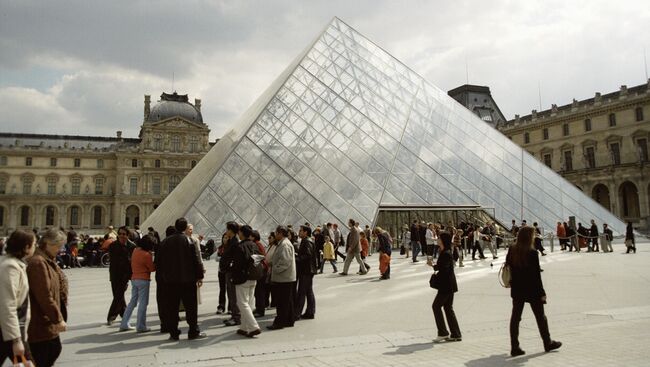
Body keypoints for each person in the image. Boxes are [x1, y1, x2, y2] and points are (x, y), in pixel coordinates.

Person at [506, 226, 561, 357]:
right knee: (541, 317)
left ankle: (514, 347)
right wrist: (542, 292)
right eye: (533, 234)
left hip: (517, 289)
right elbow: (536, 276)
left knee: (515, 318)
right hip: (532, 290)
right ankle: (547, 342)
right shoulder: (532, 253)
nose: (535, 236)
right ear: (529, 237)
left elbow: (508, 266)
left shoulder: (512, 249)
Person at [155, 218, 206, 340]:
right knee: (191, 307)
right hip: (188, 280)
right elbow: (196, 260)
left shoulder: (165, 242)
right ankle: (193, 331)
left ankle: (174, 333)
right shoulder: (189, 241)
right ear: (184, 228)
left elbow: (158, 262)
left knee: (172, 307)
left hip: (170, 281)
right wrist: (200, 276)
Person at [26, 229, 68, 367]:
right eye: (59, 245)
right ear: (49, 243)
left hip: (46, 323)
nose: (61, 249)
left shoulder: (46, 260)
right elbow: (44, 295)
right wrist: (58, 318)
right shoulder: (38, 263)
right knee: (45, 354)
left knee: (52, 351)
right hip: (40, 324)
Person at [0, 230, 36, 365]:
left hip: (9, 329)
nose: (35, 248)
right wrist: (16, 340)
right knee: (28, 363)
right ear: (26, 247)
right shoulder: (10, 267)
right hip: (8, 331)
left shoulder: (11, 263)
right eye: (34, 244)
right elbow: (7, 304)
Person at [119, 234, 156, 333]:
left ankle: (124, 323)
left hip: (134, 278)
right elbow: (152, 268)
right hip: (143, 279)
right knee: (143, 303)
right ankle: (140, 326)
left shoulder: (135, 251)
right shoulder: (147, 255)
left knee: (133, 301)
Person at [230, 225, 261, 337]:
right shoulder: (254, 245)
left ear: (242, 234)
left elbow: (237, 265)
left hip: (243, 278)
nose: (238, 233)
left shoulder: (240, 246)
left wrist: (233, 275)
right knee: (249, 303)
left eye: (239, 232)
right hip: (254, 277)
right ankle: (244, 327)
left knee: (242, 303)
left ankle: (253, 327)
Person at [431, 232, 461, 342]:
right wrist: (435, 266)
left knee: (436, 306)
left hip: (446, 286)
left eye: (439, 238)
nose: (437, 239)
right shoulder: (444, 252)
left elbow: (444, 269)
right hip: (449, 285)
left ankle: (443, 332)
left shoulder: (446, 253)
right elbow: (443, 267)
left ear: (443, 240)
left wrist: (434, 268)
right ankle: (456, 334)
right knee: (448, 308)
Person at [267, 226, 296, 330]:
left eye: (276, 232)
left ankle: (279, 322)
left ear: (280, 233)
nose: (275, 234)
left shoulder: (284, 245)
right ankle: (289, 320)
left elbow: (285, 262)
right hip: (285, 277)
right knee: (287, 301)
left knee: (282, 302)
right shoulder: (283, 243)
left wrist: (274, 268)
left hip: (284, 278)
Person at [106, 226, 135, 325]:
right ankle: (124, 313)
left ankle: (111, 317)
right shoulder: (113, 246)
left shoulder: (132, 246)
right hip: (115, 273)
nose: (122, 236)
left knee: (118, 295)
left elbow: (132, 261)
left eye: (124, 234)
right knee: (118, 295)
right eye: (120, 234)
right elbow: (115, 261)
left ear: (128, 235)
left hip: (126, 275)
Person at [221, 221, 241, 326]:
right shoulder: (231, 241)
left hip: (231, 272)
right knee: (231, 294)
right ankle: (234, 315)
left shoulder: (235, 242)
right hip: (228, 271)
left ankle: (236, 317)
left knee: (233, 295)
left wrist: (229, 266)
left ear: (231, 230)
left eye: (227, 229)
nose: (226, 231)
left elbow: (234, 258)